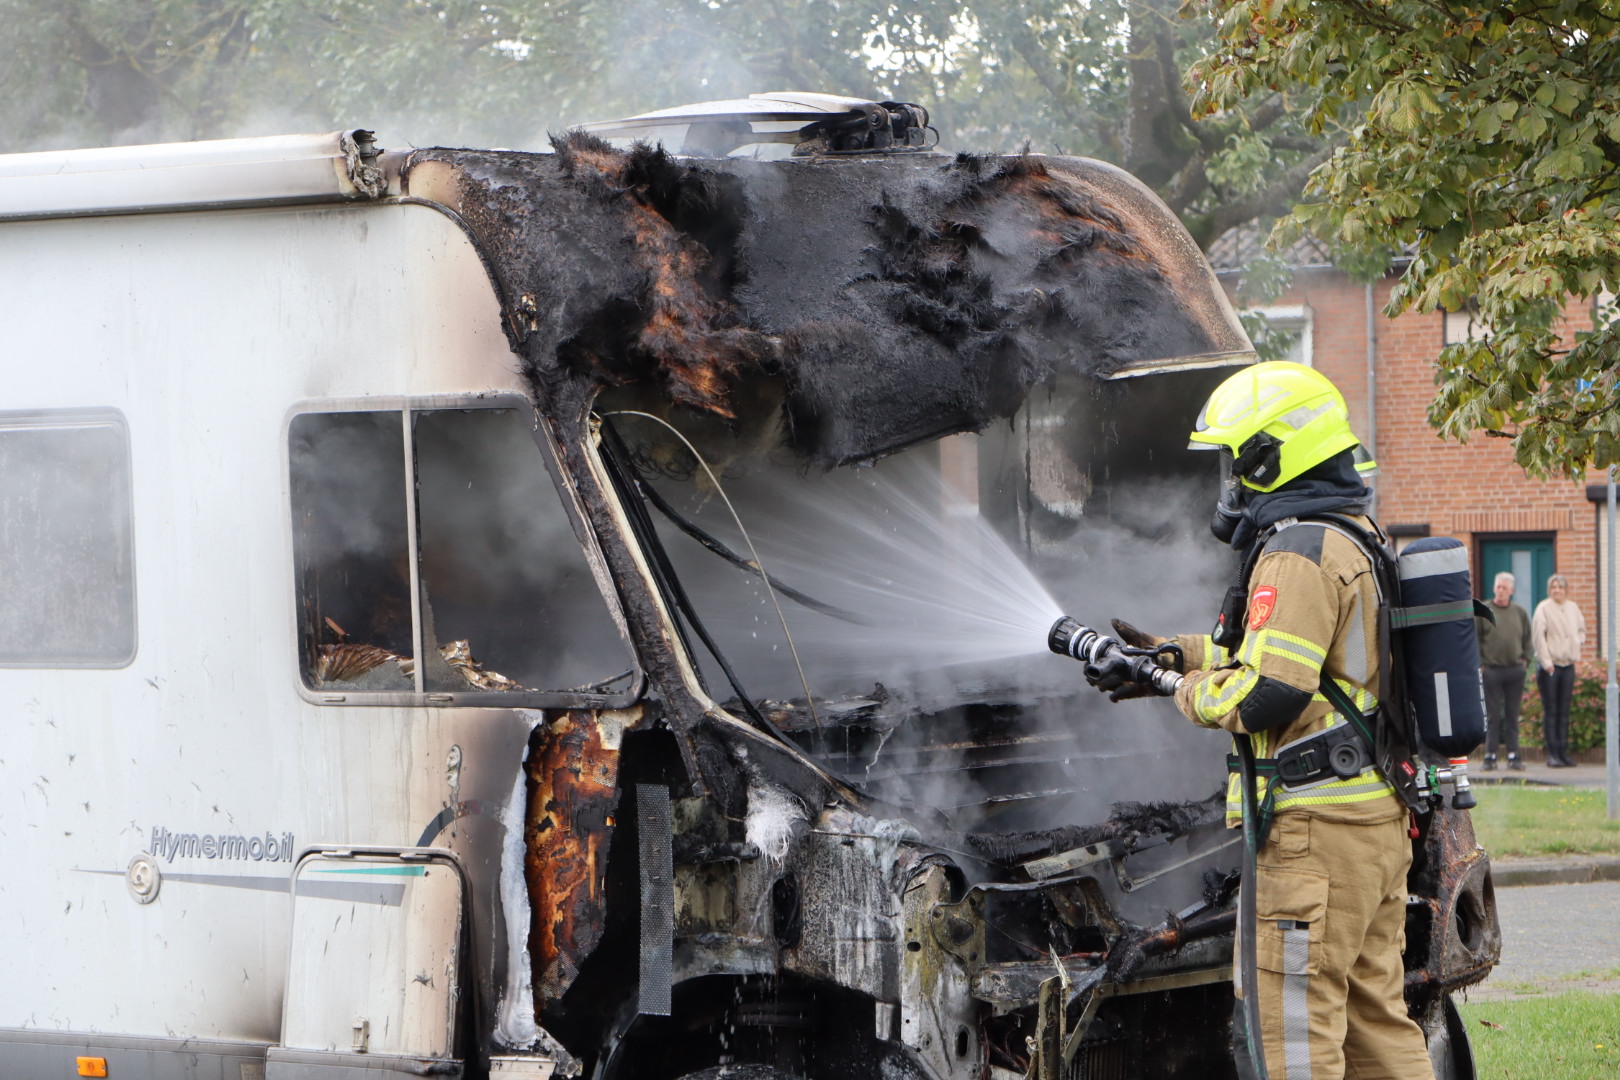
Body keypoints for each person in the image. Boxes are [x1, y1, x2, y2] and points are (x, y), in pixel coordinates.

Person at [1104, 362, 1433, 1080]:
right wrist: (1168, 651)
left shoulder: (1296, 550)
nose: (1229, 482)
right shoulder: (1350, 535)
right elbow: (1283, 652)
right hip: (1369, 827)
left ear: (1269, 456)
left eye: (1233, 461)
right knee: (1378, 1027)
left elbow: (1266, 694)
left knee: (1295, 1040)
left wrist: (1182, 687)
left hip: (1313, 840)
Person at [1475, 571, 1531, 771]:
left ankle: (1514, 756)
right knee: (1492, 716)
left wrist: (1526, 660)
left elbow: (1527, 639)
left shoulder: (1520, 612)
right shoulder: (1484, 611)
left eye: (1504, 588)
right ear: (1494, 588)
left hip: (1515, 670)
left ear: (1512, 591)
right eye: (1498, 587)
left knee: (1512, 715)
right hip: (1492, 671)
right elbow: (1476, 639)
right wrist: (1480, 663)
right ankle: (1490, 756)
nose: (1500, 591)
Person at [1532, 574, 1585, 767]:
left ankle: (1563, 752)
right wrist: (1546, 662)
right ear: (1549, 590)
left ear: (1566, 590)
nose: (1557, 590)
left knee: (1564, 711)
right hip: (1551, 667)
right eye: (1554, 587)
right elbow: (1539, 637)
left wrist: (1577, 644)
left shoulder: (1573, 608)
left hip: (1568, 665)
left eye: (1560, 587)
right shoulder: (1543, 609)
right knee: (1551, 711)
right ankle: (1552, 754)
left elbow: (1581, 630)